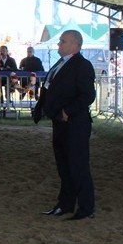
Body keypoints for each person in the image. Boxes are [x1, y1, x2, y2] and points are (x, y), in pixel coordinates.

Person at [33, 29, 96, 221]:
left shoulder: (82, 66)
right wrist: (42, 106)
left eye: (63, 41)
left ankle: (86, 208)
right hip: (60, 123)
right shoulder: (61, 63)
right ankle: (65, 204)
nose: (59, 44)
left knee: (78, 166)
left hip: (75, 123)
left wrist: (68, 111)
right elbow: (50, 88)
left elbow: (88, 95)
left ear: (75, 45)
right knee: (64, 166)